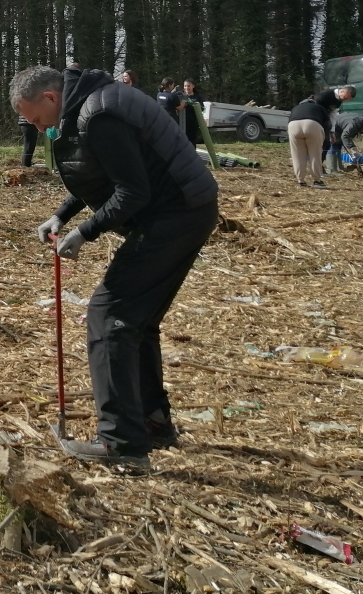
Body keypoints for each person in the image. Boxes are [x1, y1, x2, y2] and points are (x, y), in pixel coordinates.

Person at [11, 65, 218, 472]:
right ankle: (152, 421)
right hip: (185, 207)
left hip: (174, 214)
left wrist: (85, 233)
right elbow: (101, 175)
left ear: (50, 98)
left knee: (109, 317)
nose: (37, 128)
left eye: (36, 118)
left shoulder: (99, 114)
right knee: (134, 321)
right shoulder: (90, 104)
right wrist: (62, 215)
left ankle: (121, 442)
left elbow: (132, 191)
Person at [288, 86, 354, 189]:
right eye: (345, 97)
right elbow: (328, 121)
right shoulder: (320, 102)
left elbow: (290, 119)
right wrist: (328, 133)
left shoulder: (297, 107)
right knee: (315, 154)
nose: (344, 100)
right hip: (313, 124)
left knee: (297, 155)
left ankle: (300, 181)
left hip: (293, 126)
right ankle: (317, 181)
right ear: (341, 91)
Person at [180, 79, 202, 146]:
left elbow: (202, 107)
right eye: (185, 86)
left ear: (193, 86)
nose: (186, 88)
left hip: (193, 122)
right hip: (182, 122)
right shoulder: (180, 95)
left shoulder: (197, 96)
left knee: (192, 140)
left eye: (188, 86)